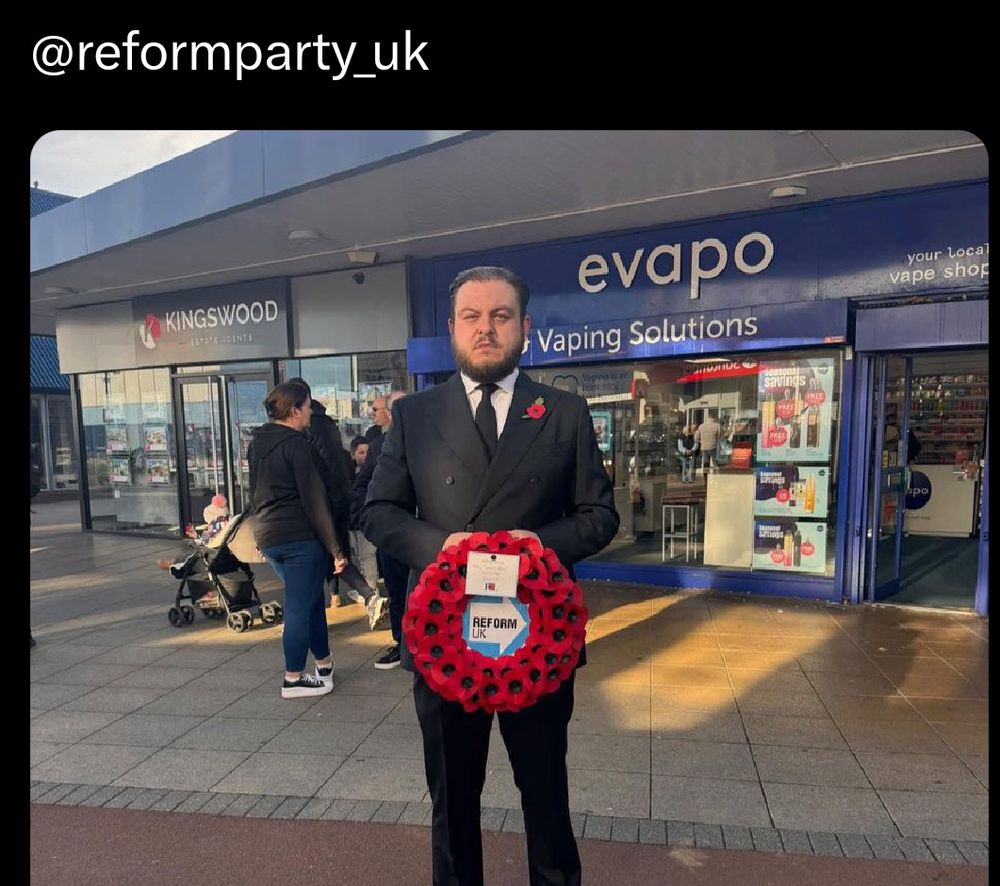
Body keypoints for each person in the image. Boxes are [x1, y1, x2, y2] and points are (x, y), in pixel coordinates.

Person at [361, 266, 619, 886]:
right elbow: (376, 512)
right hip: (447, 640)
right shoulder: (415, 416)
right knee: (452, 802)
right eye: (472, 317)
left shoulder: (563, 412)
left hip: (539, 641)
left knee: (546, 796)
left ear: (524, 328)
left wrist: (540, 544)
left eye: (500, 316)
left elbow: (600, 515)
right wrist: (440, 546)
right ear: (452, 329)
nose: (486, 329)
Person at [247, 381, 346, 699]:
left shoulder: (257, 443)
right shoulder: (297, 445)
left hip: (269, 536)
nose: (310, 414)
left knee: (311, 601)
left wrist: (258, 537)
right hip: (298, 539)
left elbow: (253, 492)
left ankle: (324, 665)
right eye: (307, 408)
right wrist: (336, 549)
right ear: (294, 411)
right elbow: (314, 500)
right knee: (299, 609)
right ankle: (293, 678)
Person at [285, 377, 386, 629]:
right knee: (337, 554)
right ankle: (367, 595)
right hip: (339, 499)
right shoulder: (327, 424)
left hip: (323, 501)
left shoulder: (306, 429)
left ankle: (306, 613)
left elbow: (311, 469)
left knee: (323, 557)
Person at [353, 390, 410, 669]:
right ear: (389, 413)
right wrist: (371, 516)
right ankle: (401, 643)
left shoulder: (431, 439)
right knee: (397, 592)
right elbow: (363, 484)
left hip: (427, 530)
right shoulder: (377, 446)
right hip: (392, 533)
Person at [694, 411, 721, 476]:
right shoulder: (717, 425)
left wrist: (700, 441)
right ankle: (716, 476)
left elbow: (696, 437)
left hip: (704, 447)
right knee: (715, 462)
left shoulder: (701, 426)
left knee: (705, 463)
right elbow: (719, 436)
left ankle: (706, 478)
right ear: (714, 418)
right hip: (713, 446)